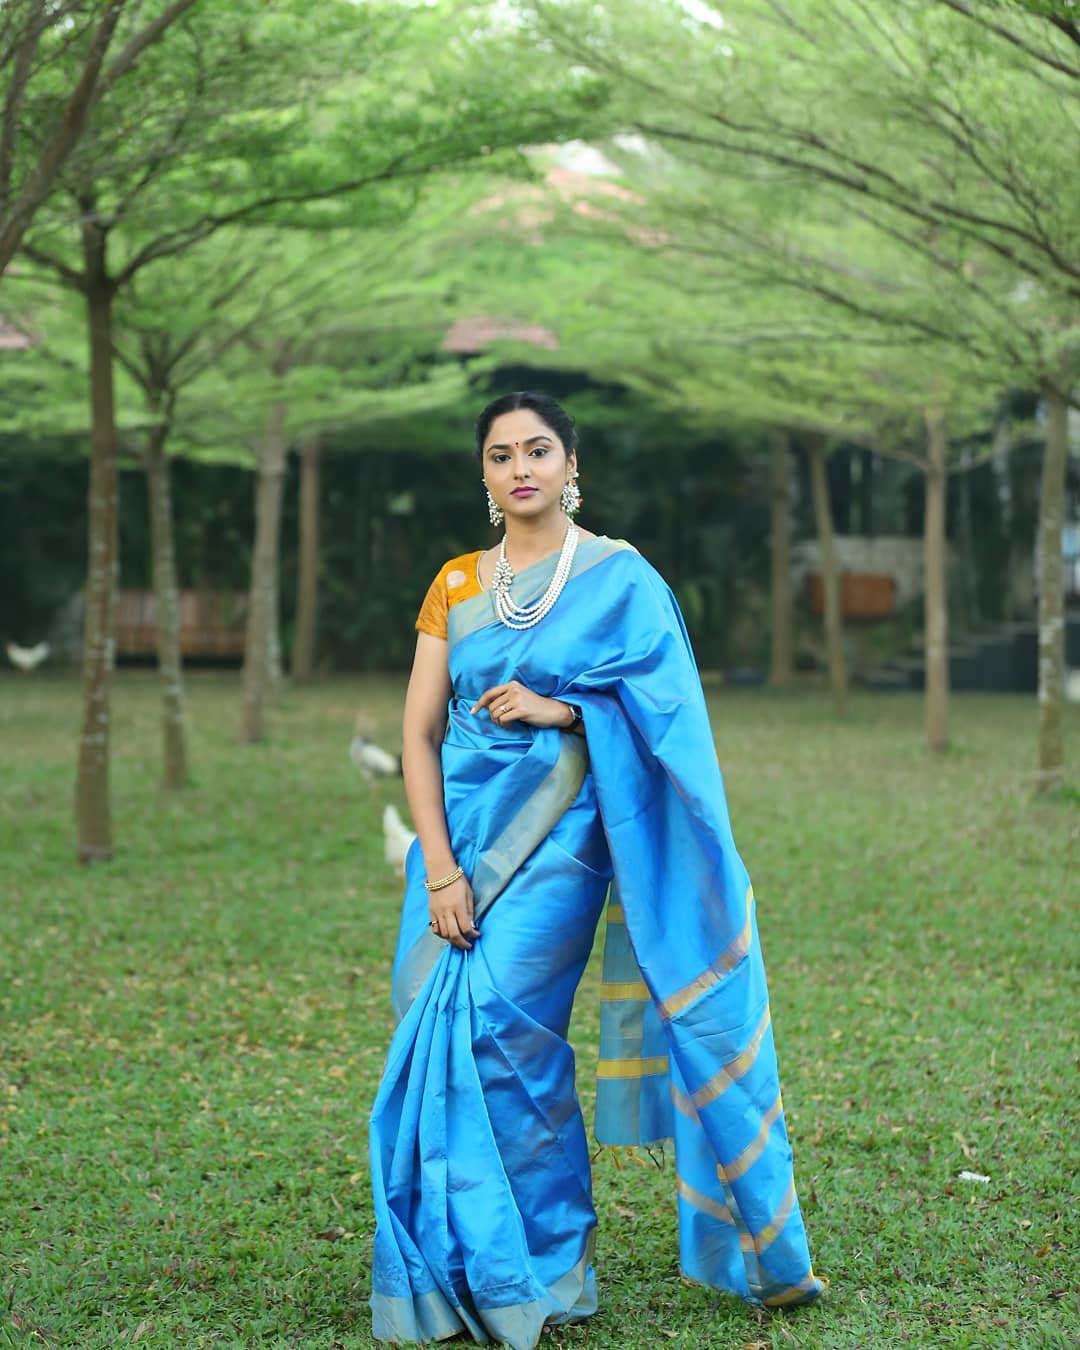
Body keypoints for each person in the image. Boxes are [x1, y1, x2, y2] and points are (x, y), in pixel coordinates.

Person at [369, 392, 825, 1348]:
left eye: (539, 450)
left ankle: (538, 1270)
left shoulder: (621, 580)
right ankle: (462, 1269)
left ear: (573, 464)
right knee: (436, 1038)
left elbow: (671, 718)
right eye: (501, 455)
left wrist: (567, 711)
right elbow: (416, 736)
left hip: (561, 842)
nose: (521, 467)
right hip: (456, 848)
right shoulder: (455, 584)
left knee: (506, 1036)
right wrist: (440, 871)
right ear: (486, 476)